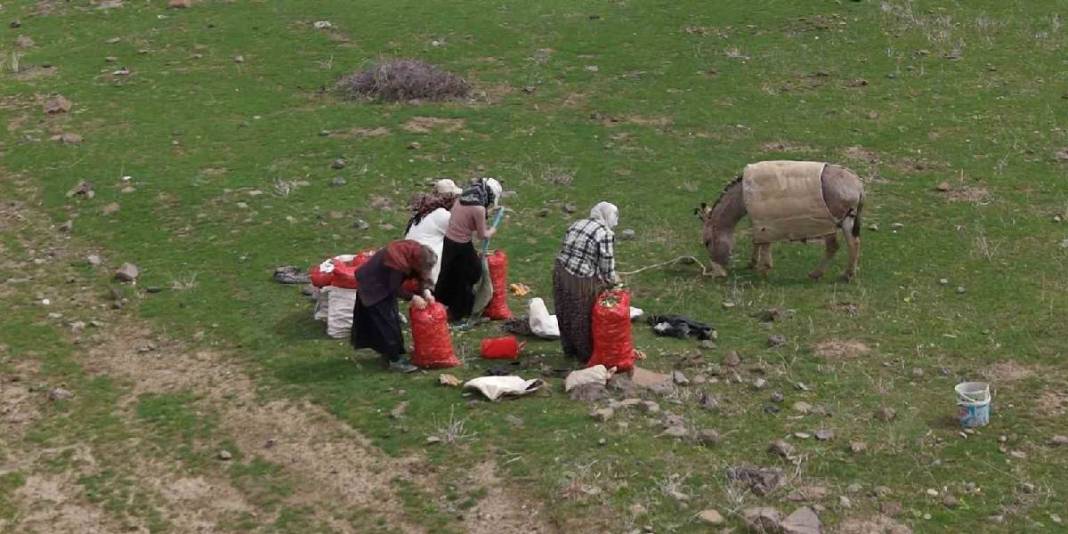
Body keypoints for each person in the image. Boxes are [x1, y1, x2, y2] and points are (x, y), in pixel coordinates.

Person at [351, 240, 437, 373]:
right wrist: (413, 297)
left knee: (391, 318)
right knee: (386, 323)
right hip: (374, 284)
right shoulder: (397, 262)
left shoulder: (415, 253)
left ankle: (393, 353)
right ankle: (395, 360)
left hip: (384, 282)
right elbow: (394, 288)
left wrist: (426, 291)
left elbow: (421, 273)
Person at [553, 202, 620, 363]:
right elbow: (606, 264)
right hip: (579, 278)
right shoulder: (604, 233)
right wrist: (613, 282)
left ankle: (569, 349)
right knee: (581, 314)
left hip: (560, 271)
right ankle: (585, 354)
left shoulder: (578, 223)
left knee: (564, 310)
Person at [435, 177, 502, 322]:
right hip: (461, 245)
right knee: (470, 275)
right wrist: (493, 230)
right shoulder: (479, 208)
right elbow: (482, 234)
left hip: (449, 241)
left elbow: (467, 221)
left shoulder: (463, 198)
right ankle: (459, 311)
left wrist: (486, 214)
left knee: (447, 273)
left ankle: (440, 304)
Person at [404, 179, 462, 284]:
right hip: (425, 263)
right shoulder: (441, 214)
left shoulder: (424, 211)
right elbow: (459, 234)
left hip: (409, 259)